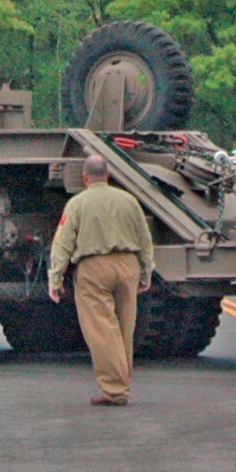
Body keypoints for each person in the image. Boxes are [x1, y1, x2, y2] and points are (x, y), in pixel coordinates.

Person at [47, 153, 155, 406]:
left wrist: (56, 278)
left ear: (85, 177)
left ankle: (115, 390)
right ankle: (122, 381)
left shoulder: (77, 203)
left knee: (101, 329)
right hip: (128, 265)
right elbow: (144, 239)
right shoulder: (129, 201)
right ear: (108, 175)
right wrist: (145, 271)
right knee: (124, 327)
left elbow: (62, 243)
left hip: (94, 267)